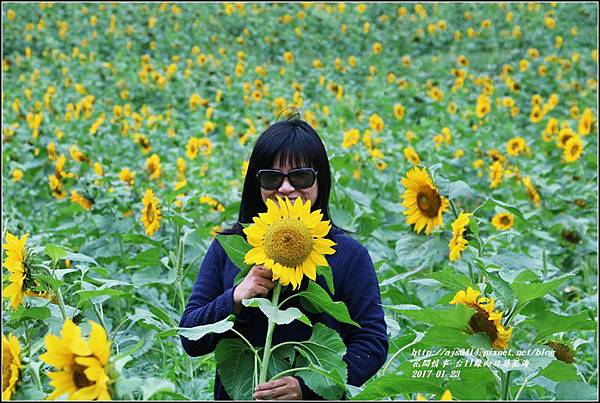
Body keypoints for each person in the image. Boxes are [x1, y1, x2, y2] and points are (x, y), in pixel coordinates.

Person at [179, 115, 388, 400]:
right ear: (257, 184)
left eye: (301, 176)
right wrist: (237, 297)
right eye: (271, 177)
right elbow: (190, 336)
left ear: (320, 180)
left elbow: (372, 343)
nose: (286, 188)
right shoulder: (232, 247)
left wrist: (309, 388)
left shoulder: (346, 255)